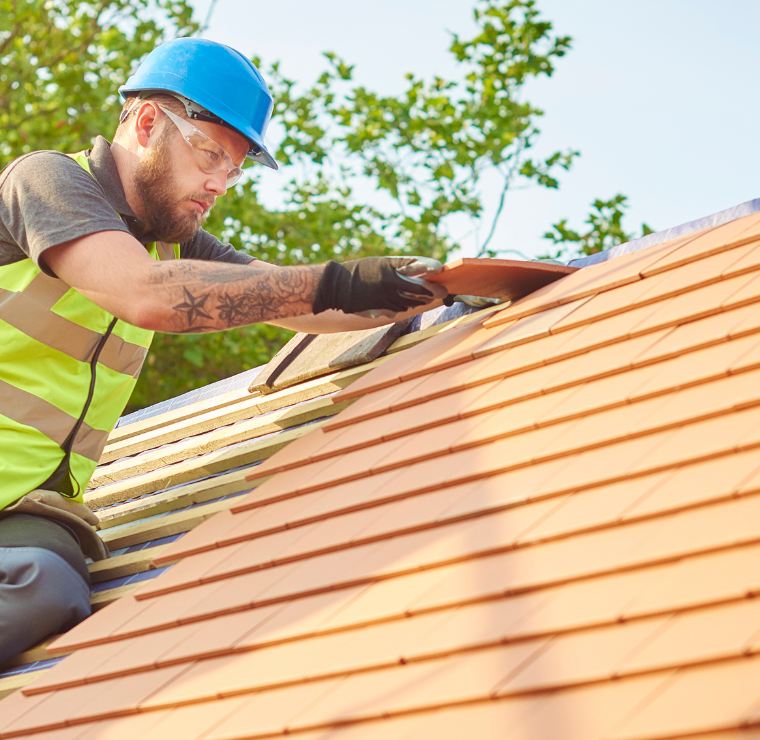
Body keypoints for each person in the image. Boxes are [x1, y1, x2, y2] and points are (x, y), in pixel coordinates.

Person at [0, 38, 446, 665]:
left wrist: (434, 289)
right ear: (148, 122)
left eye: (233, 170)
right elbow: (146, 295)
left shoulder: (174, 244)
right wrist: (345, 279)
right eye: (210, 154)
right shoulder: (48, 180)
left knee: (47, 585)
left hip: (23, 513)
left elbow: (293, 298)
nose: (219, 184)